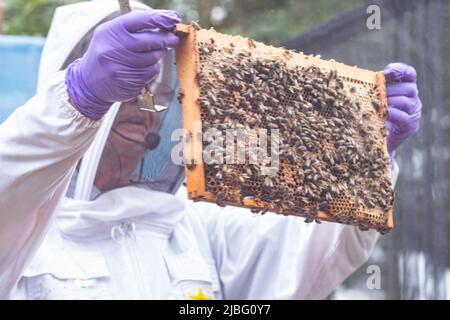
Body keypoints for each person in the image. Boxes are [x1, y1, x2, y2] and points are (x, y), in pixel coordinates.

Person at [0, 0, 421, 299]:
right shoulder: (28, 233)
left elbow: (298, 262)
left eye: (156, 92)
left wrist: (366, 163)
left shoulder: (189, 223)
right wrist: (75, 100)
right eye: (126, 86)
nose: (145, 110)